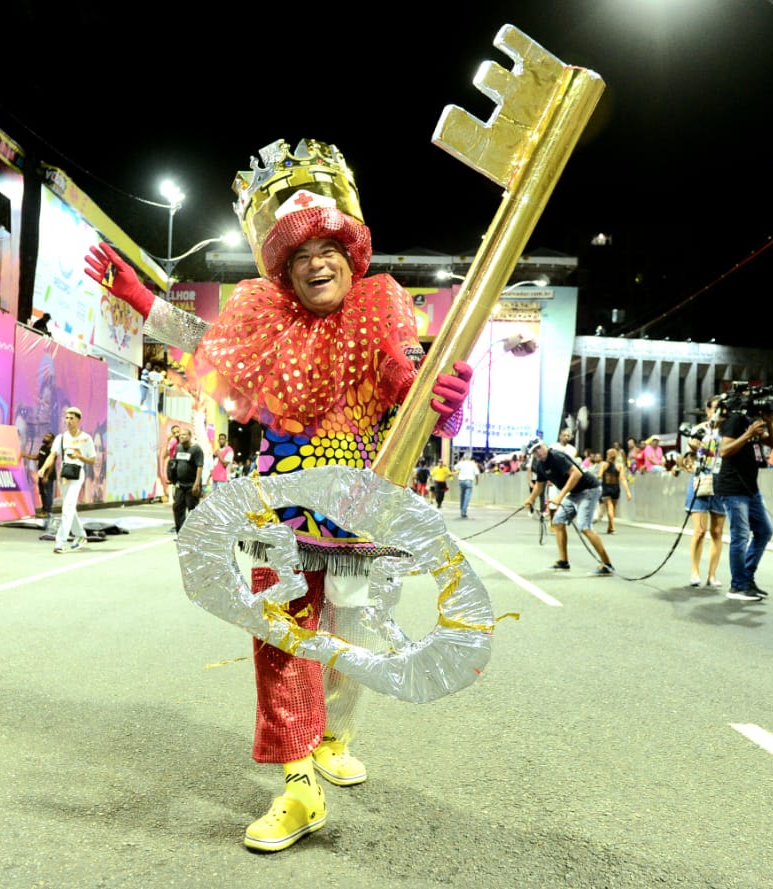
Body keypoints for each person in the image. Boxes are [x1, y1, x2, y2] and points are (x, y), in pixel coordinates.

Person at [84, 137, 471, 853]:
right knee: (280, 639)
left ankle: (331, 734)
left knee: (349, 637)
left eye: (327, 246)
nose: (316, 261)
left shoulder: (380, 307)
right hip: (275, 512)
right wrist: (141, 299)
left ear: (349, 252)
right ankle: (298, 784)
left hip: (361, 513)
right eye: (299, 253)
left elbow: (408, 390)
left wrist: (442, 401)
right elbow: (209, 345)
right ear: (283, 267)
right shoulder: (261, 315)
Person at [714, 395, 773, 601]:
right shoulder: (734, 421)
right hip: (733, 487)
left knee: (764, 530)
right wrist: (748, 434)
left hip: (750, 488)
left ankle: (747, 578)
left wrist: (769, 421)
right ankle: (738, 586)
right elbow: (724, 451)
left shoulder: (754, 422)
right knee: (741, 535)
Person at [521, 440, 615, 575]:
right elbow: (540, 485)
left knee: (584, 526)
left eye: (539, 448)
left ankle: (607, 565)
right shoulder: (541, 465)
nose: (538, 452)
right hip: (575, 492)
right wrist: (531, 499)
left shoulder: (556, 456)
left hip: (589, 489)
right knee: (558, 521)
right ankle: (563, 562)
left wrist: (560, 496)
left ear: (544, 446)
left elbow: (576, 474)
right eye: (534, 451)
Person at [39, 406, 95, 554]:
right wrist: (43, 468)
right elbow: (52, 456)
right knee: (69, 507)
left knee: (68, 506)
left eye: (72, 418)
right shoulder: (61, 438)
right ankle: (81, 535)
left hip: (77, 474)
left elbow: (93, 460)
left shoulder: (86, 438)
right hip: (64, 475)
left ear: (78, 420)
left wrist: (80, 457)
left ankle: (60, 541)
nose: (68, 421)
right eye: (67, 418)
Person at [685, 396, 725, 589]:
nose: (718, 412)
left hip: (722, 481)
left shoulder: (730, 430)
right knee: (699, 531)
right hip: (701, 479)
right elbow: (690, 450)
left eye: (722, 409)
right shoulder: (700, 429)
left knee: (717, 532)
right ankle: (694, 572)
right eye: (715, 408)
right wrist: (692, 453)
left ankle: (712, 575)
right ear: (707, 410)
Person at [167, 427, 204, 531]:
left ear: (190, 436)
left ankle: (193, 532)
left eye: (184, 434)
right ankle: (180, 532)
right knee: (177, 507)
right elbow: (175, 463)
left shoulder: (196, 449)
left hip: (192, 485)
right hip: (180, 485)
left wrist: (196, 484)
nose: (181, 436)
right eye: (180, 435)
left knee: (192, 509)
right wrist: (171, 477)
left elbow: (199, 467)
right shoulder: (178, 447)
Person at [596, 446, 632, 534]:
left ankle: (612, 528)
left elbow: (599, 475)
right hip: (616, 488)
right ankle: (610, 527)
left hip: (606, 487)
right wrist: (628, 492)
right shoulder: (619, 466)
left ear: (608, 455)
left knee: (609, 508)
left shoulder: (603, 464)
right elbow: (623, 479)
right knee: (613, 509)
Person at [28, 432, 56, 517]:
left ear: (51, 440)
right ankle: (43, 510)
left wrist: (46, 477)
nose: (45, 437)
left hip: (48, 476)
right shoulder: (43, 447)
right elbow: (37, 457)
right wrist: (25, 455)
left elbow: (51, 465)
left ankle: (48, 511)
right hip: (41, 474)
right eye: (45, 436)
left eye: (47, 436)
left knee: (47, 493)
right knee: (42, 492)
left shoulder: (52, 450)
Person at [455, 452, 481, 518]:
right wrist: (477, 481)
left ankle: (461, 510)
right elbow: (477, 473)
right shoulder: (473, 464)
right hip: (469, 481)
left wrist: (461, 462)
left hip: (461, 481)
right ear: (470, 457)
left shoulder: (461, 463)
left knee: (462, 496)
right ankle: (464, 512)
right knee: (467, 497)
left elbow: (455, 468)